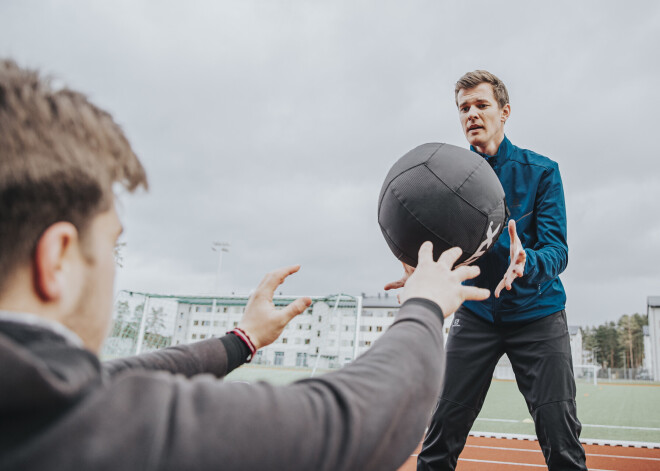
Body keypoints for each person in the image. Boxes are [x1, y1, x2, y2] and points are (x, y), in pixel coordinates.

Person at [0, 59, 491, 471]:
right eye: (110, 246)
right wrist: (425, 304)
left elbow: (126, 373)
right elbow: (357, 421)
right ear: (58, 259)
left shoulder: (26, 395)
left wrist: (242, 340)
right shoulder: (73, 428)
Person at [385, 70, 587, 470]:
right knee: (440, 433)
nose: (471, 114)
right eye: (464, 108)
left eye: (481, 105)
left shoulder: (542, 172)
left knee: (560, 435)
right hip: (477, 317)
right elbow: (440, 249)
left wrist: (527, 261)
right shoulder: (446, 180)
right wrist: (422, 272)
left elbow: (557, 250)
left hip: (538, 314)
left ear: (504, 111)